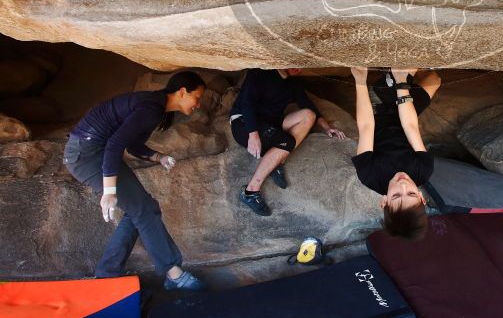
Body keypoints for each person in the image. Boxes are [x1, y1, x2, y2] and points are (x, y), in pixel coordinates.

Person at [63, 71, 207, 290]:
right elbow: (114, 145)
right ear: (182, 92)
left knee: (141, 209)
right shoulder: (152, 108)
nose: (198, 104)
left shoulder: (155, 107)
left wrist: (159, 157)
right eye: (197, 98)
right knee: (143, 209)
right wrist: (109, 192)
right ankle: (174, 274)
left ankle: (108, 274)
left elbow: (132, 145)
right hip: (87, 154)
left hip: (94, 151)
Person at [230, 68, 345, 216]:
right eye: (294, 62)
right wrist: (253, 134)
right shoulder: (260, 72)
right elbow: (247, 103)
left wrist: (327, 127)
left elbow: (309, 106)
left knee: (308, 116)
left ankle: (277, 161)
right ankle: (251, 191)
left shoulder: (293, 83)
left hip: (271, 123)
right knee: (286, 141)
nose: (299, 67)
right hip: (244, 121)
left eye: (301, 64)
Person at [350, 66, 441, 241]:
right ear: (422, 198)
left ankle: (389, 78)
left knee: (406, 66)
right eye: (412, 194)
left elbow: (366, 127)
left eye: (396, 195)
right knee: (434, 79)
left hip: (378, 107)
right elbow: (410, 127)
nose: (403, 185)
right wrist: (401, 84)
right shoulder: (423, 170)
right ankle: (393, 77)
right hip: (405, 114)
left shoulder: (369, 175)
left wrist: (360, 80)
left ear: (384, 201)